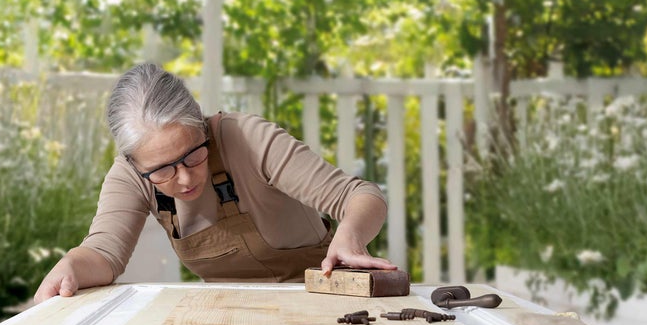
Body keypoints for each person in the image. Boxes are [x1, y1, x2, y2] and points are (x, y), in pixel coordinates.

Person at [34, 63, 396, 303]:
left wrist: (350, 236)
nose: (186, 177)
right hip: (226, 311)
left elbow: (361, 195)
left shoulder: (249, 139)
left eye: (193, 154)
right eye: (163, 170)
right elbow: (103, 254)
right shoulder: (130, 175)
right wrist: (71, 266)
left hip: (321, 300)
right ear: (135, 163)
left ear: (203, 126)